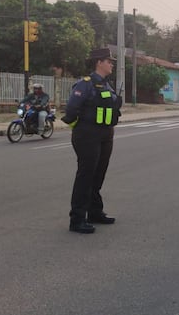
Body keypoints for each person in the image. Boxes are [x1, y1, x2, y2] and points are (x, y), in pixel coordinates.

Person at [60, 48, 123, 234]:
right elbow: (71, 110)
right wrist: (82, 129)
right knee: (86, 175)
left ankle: (95, 212)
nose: (111, 64)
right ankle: (77, 219)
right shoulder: (84, 84)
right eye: (109, 61)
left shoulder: (106, 84)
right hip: (88, 135)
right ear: (99, 63)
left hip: (106, 134)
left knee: (98, 175)